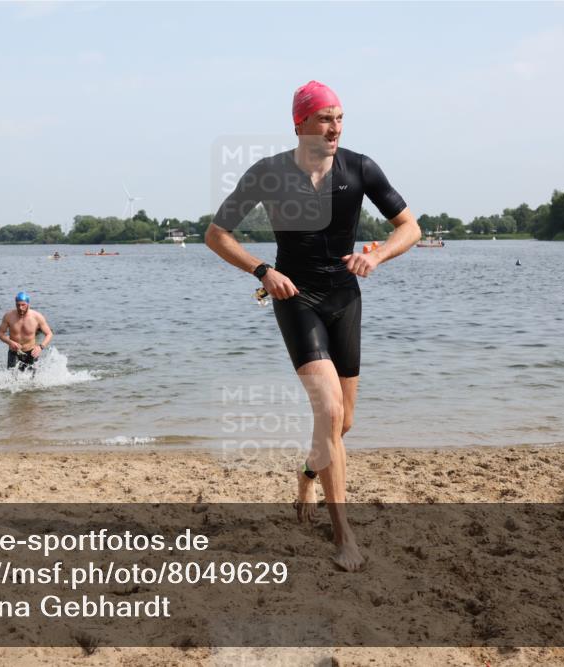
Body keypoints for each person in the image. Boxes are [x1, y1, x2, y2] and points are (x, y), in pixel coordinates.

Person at [205, 80, 421, 571]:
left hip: (345, 296)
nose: (334, 127)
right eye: (325, 118)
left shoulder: (360, 168)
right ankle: (344, 536)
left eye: (340, 118)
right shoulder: (268, 173)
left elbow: (410, 227)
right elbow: (217, 235)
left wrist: (380, 254)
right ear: (299, 123)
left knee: (343, 422)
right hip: (294, 296)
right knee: (327, 407)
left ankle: (308, 474)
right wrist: (263, 271)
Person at [0, 291, 53, 372]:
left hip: (31, 352)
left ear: (28, 304)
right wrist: (10, 342)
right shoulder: (9, 316)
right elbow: (0, 333)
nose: (20, 307)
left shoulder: (37, 317)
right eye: (18, 305)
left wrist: (40, 347)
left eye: (23, 305)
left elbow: (49, 334)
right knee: (11, 380)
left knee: (33, 381)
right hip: (14, 352)